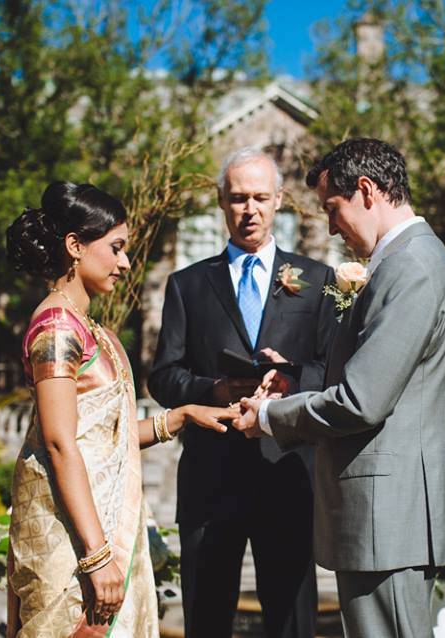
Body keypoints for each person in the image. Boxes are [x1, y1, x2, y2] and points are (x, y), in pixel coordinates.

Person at [234, 139, 445, 637]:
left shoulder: (412, 267)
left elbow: (362, 401)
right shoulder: (402, 262)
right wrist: (298, 377)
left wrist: (270, 417)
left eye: (332, 209)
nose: (332, 227)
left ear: (366, 190)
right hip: (381, 519)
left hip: (390, 519)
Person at [4, 181, 238, 638]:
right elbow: (59, 443)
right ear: (75, 246)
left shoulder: (92, 330)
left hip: (94, 529)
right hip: (69, 540)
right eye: (115, 248)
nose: (125, 263)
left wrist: (182, 417)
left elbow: (102, 434)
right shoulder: (56, 329)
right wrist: (96, 556)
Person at [148, 148, 336, 638]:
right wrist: (213, 388)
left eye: (259, 197)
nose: (248, 209)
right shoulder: (187, 285)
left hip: (288, 470)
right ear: (220, 203)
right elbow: (163, 376)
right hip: (212, 476)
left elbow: (335, 371)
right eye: (237, 198)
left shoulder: (317, 281)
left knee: (291, 619)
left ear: (278, 201)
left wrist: (292, 379)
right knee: (207, 617)